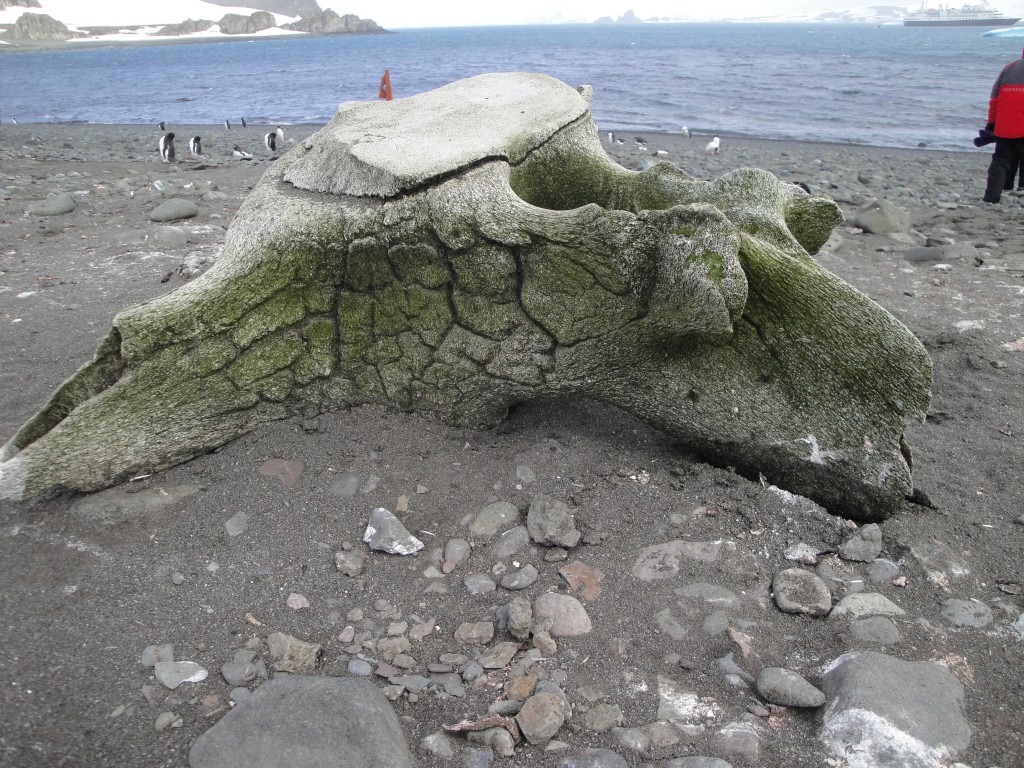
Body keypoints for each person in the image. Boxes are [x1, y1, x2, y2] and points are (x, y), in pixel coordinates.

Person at [982, 48, 1024, 203]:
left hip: (1005, 124)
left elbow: (994, 99)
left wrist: (992, 123)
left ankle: (992, 197)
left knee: (1001, 159)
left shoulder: (1009, 68)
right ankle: (1021, 191)